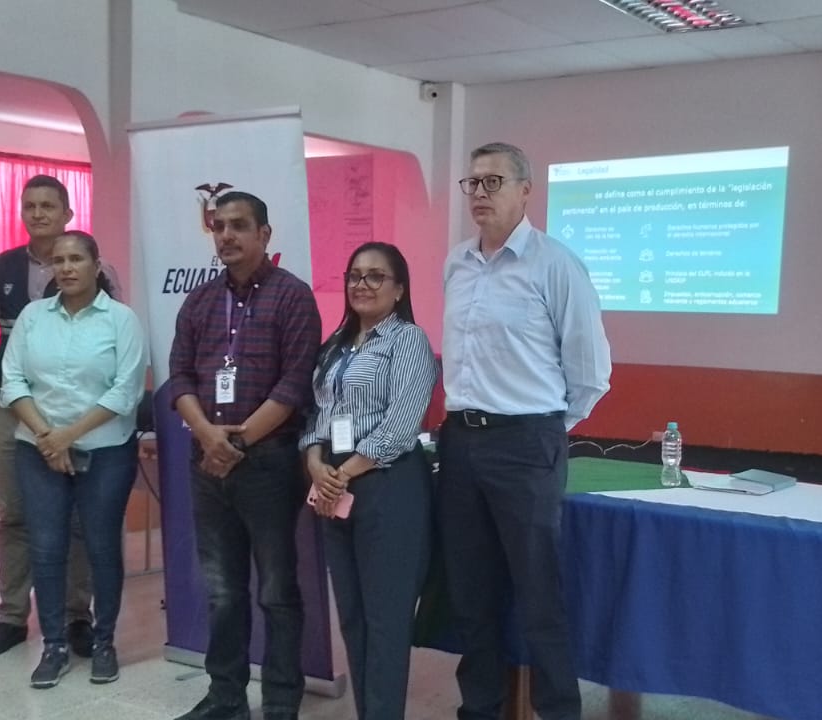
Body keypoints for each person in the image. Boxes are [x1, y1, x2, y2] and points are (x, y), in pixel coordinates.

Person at [438, 143, 612, 720]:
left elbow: (590, 372)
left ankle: (558, 712)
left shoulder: (556, 265)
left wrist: (542, 429)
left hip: (526, 442)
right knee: (471, 593)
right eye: (473, 182)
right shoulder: (457, 263)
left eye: (493, 181)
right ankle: (479, 710)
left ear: (525, 191)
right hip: (460, 442)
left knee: (539, 595)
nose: (479, 193)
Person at [170, 191, 320, 720]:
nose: (227, 235)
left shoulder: (293, 297)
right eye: (219, 226)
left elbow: (294, 384)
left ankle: (280, 701)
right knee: (221, 592)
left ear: (264, 234)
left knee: (277, 592)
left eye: (239, 225)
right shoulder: (199, 301)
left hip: (269, 466)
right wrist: (208, 436)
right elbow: (180, 377)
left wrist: (233, 443)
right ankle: (226, 697)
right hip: (207, 465)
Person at [0, 231, 147, 688]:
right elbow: (11, 381)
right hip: (37, 449)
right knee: (46, 547)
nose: (66, 268)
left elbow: (125, 391)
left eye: (76, 259)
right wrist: (48, 437)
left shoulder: (121, 320)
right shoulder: (33, 316)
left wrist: (67, 436)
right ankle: (54, 646)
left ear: (96, 266)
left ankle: (104, 642)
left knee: (101, 546)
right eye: (59, 261)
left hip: (105, 451)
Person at [0, 174, 116, 659]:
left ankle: (77, 616)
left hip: (75, 414)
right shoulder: (2, 266)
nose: (38, 214)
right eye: (30, 206)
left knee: (74, 516)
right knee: (15, 514)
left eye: (48, 206)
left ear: (68, 214)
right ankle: (12, 617)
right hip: (13, 408)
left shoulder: (100, 269)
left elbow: (110, 339)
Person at [300, 242, 436, 720]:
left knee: (386, 621)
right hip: (333, 483)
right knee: (353, 619)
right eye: (355, 275)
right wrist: (316, 464)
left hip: (388, 484)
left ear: (399, 289)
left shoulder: (408, 341)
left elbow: (400, 425)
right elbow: (318, 415)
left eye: (376, 276)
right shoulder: (336, 345)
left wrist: (343, 473)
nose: (362, 284)